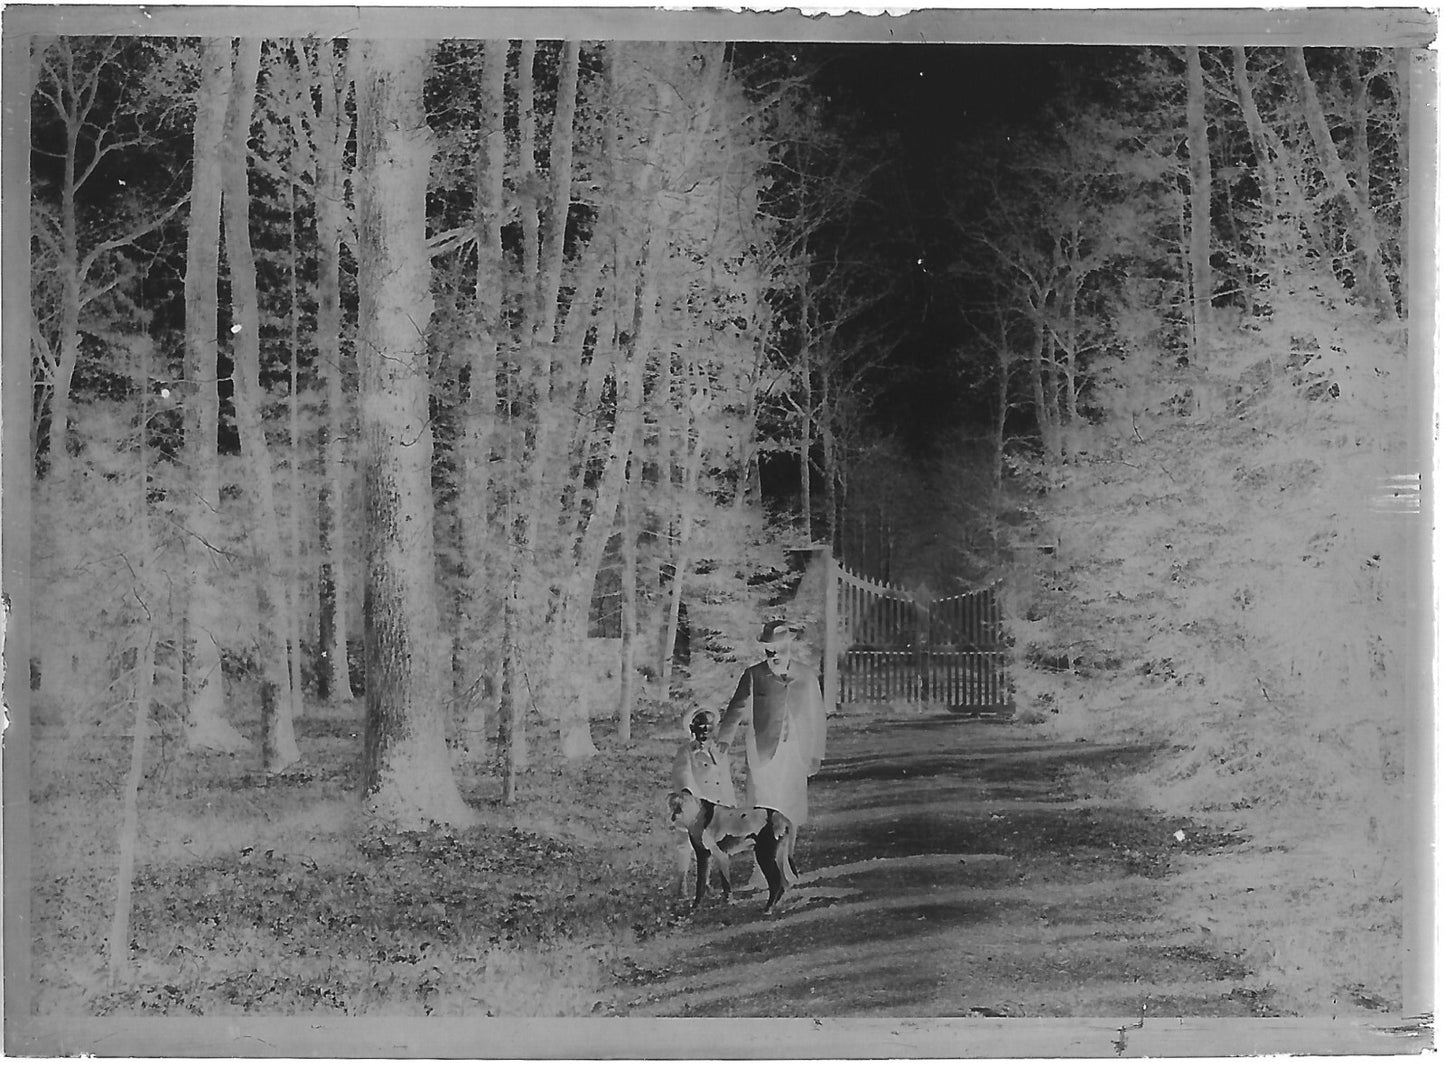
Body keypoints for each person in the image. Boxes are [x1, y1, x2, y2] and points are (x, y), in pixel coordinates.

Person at [715, 618, 827, 908]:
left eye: (778, 648)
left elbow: (817, 717)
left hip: (795, 753)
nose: (774, 654)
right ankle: (760, 871)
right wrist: (724, 740)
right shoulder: (754, 675)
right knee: (761, 810)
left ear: (789, 646)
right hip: (762, 753)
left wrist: (816, 753)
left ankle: (786, 865)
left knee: (790, 809)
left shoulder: (806, 676)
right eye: (768, 650)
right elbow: (736, 709)